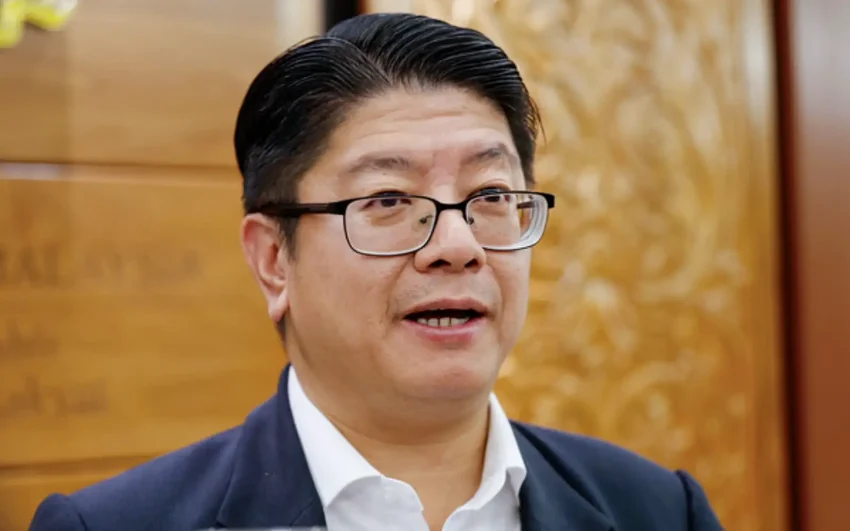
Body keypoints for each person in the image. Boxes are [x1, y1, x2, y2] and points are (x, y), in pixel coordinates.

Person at [29, 12, 724, 531]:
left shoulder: (658, 509)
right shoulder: (112, 525)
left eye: (489, 197)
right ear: (274, 260)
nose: (457, 245)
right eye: (389, 200)